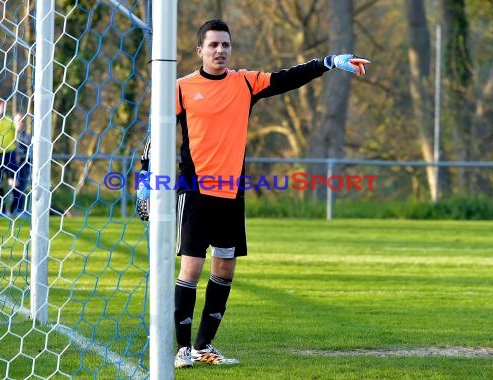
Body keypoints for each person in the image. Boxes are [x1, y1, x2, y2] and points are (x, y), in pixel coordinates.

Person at [136, 19, 370, 368]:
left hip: (232, 194)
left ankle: (204, 346)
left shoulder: (245, 82)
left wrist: (329, 62)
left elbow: (287, 77)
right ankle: (182, 350)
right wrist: (144, 183)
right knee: (191, 268)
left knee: (225, 267)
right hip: (197, 192)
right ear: (199, 50)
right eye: (213, 45)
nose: (220, 51)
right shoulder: (182, 87)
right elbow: (155, 135)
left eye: (225, 45)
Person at [14, 112, 32, 217]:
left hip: (25, 163)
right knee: (16, 186)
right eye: (18, 120)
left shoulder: (27, 135)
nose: (20, 122)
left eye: (22, 120)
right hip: (14, 163)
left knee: (24, 186)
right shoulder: (11, 135)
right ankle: (15, 209)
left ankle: (21, 209)